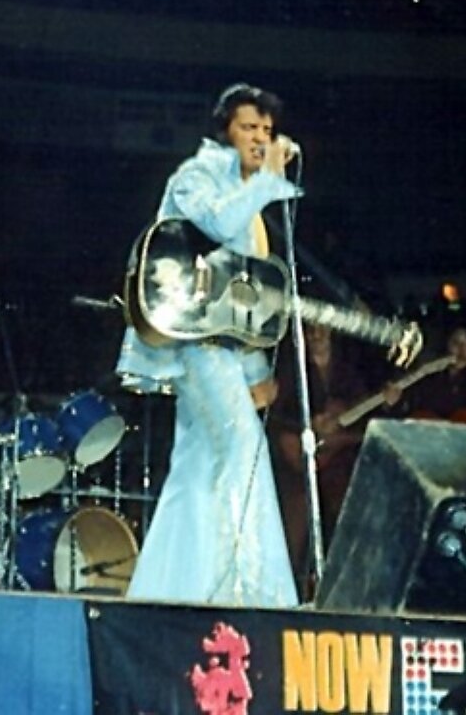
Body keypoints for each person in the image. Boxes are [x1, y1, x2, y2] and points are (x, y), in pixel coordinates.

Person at [115, 83, 302, 607]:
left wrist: (256, 368)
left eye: (267, 130)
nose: (261, 140)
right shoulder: (197, 177)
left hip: (225, 350)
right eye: (249, 129)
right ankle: (241, 591)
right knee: (243, 445)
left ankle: (172, 589)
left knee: (197, 463)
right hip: (193, 346)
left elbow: (242, 296)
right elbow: (214, 225)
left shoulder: (252, 197)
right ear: (225, 132)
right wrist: (265, 183)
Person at [267, 323, 378, 600]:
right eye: (310, 330)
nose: (316, 336)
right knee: (293, 521)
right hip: (296, 463)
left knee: (348, 515)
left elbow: (366, 426)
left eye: (322, 330)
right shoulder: (291, 371)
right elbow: (274, 416)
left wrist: (339, 437)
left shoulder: (349, 374)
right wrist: (308, 425)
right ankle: (287, 592)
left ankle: (348, 590)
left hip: (337, 465)